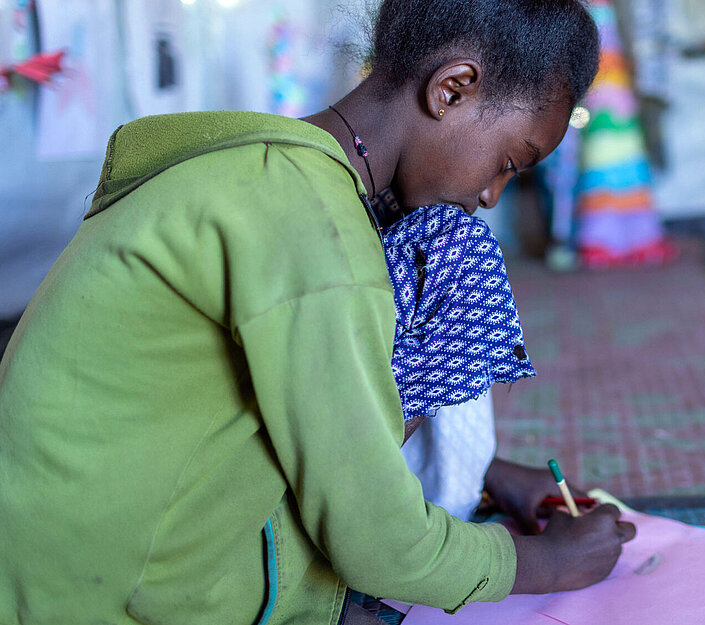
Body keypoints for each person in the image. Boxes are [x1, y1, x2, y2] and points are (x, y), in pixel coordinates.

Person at [0, 1, 635, 623]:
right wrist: (548, 563)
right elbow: (382, 548)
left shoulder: (267, 168)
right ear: (453, 89)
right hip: (100, 598)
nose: (490, 198)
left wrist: (491, 474)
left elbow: (284, 409)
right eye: (507, 163)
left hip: (70, 556)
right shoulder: (314, 230)